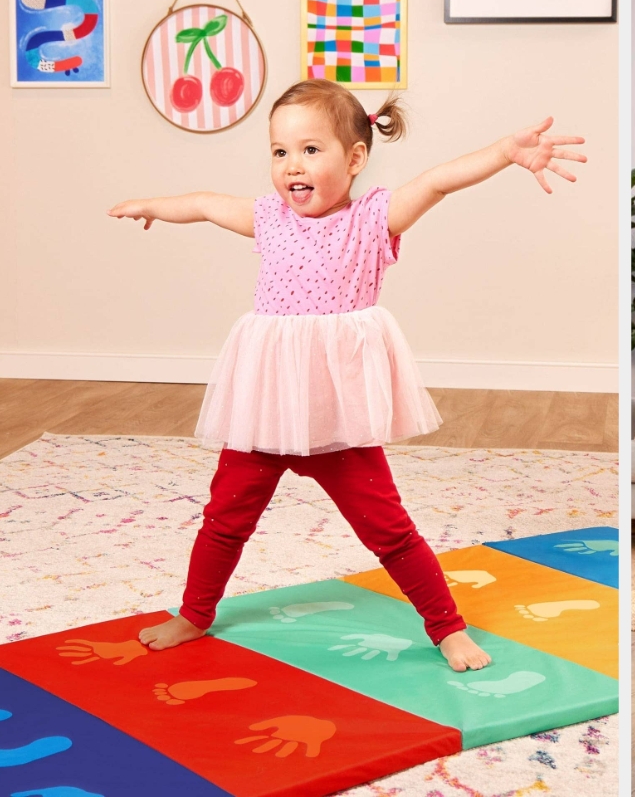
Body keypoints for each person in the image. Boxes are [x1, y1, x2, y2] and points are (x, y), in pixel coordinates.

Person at [107, 78, 586, 671]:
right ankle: (195, 614)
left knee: (388, 529)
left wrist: (504, 152)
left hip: (336, 420)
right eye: (280, 152)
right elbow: (205, 203)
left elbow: (436, 180)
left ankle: (446, 627)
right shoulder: (269, 219)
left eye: (311, 150)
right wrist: (153, 206)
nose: (291, 166)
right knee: (224, 518)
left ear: (355, 158)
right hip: (266, 411)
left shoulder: (373, 220)